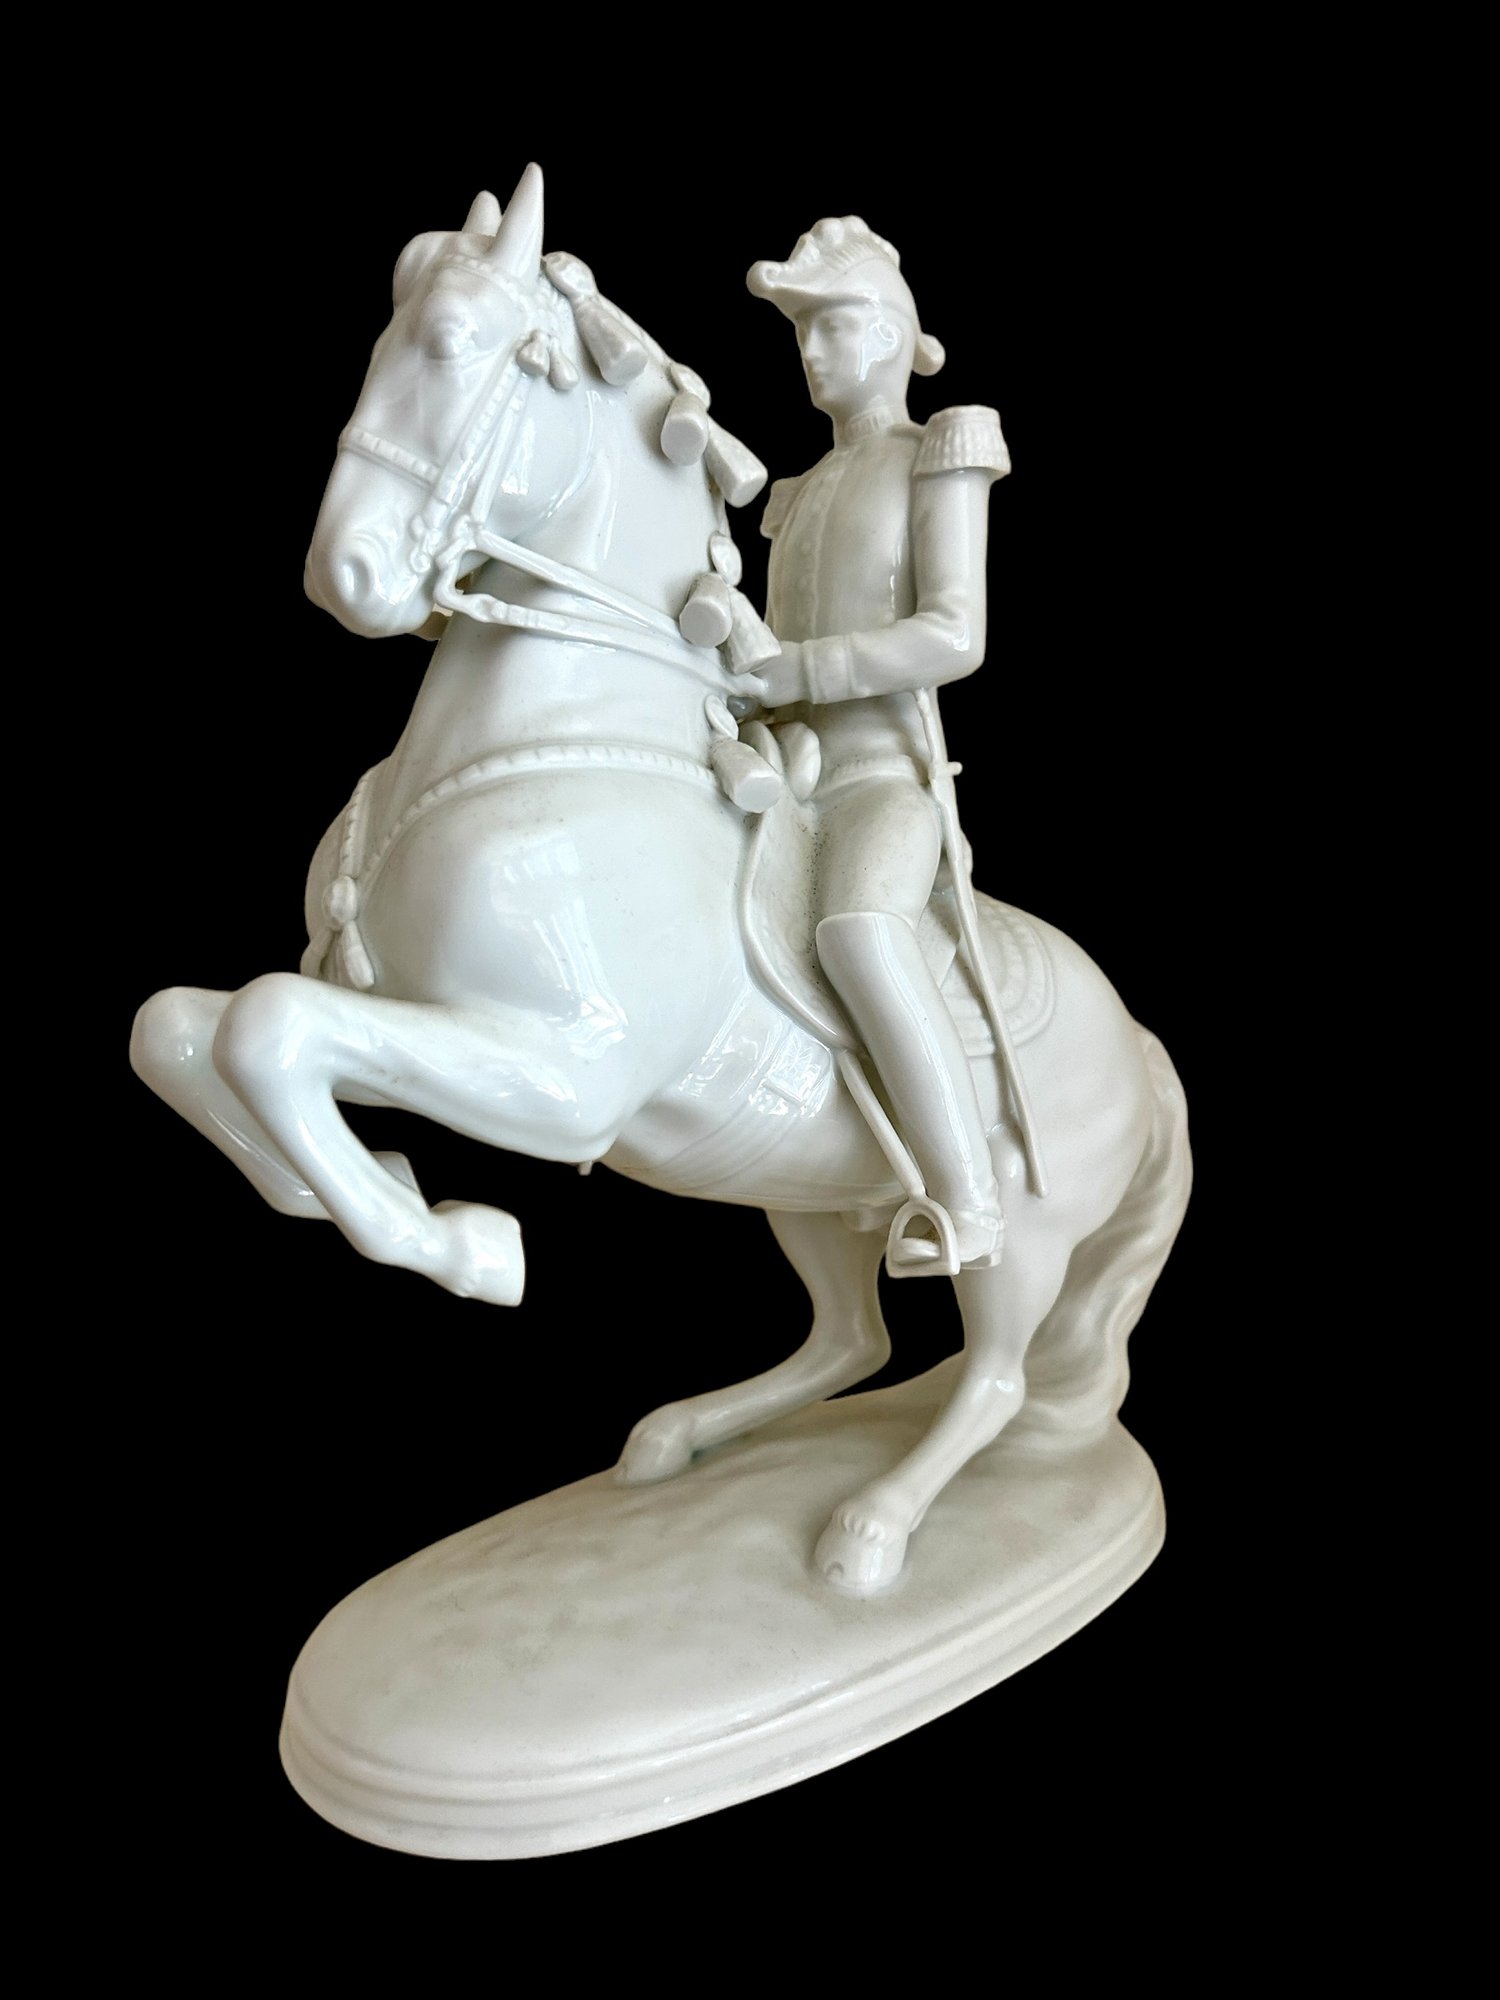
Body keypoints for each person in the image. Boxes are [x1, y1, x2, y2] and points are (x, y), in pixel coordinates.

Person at [746, 216, 1012, 1268]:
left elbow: (955, 633)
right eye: (802, 333)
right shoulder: (794, 496)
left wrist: (802, 671)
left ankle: (967, 1203)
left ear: (893, 334)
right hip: (781, 773)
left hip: (874, 773)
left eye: (834, 325)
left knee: (858, 929)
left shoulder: (935, 452)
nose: (813, 351)